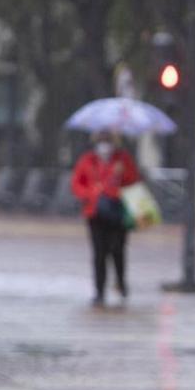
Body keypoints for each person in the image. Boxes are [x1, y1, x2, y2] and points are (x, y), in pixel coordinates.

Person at [71, 131, 140, 306]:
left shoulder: (122, 159)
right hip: (95, 213)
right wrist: (90, 193)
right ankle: (99, 291)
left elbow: (134, 180)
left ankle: (121, 282)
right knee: (99, 253)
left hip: (118, 210)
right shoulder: (87, 160)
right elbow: (77, 183)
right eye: (101, 141)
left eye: (108, 141)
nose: (104, 145)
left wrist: (121, 174)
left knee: (118, 249)